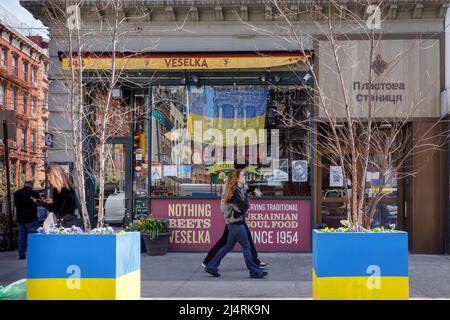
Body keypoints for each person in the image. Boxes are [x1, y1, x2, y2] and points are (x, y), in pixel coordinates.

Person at [205, 169, 268, 279]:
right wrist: (246, 204)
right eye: (242, 175)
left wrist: (246, 201)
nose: (244, 177)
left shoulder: (237, 190)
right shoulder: (234, 192)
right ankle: (254, 271)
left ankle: (211, 266)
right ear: (237, 178)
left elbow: (242, 207)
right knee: (247, 246)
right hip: (236, 223)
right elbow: (242, 208)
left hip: (234, 223)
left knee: (227, 246)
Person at [41, 164, 80, 228]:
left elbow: (57, 208)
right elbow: (69, 204)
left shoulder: (58, 189)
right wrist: (53, 201)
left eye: (50, 177)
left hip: (63, 222)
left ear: (54, 176)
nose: (50, 180)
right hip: (70, 219)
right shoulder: (69, 187)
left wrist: (45, 204)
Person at [13, 180, 40, 259]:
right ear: (32, 185)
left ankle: (21, 254)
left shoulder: (17, 193)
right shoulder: (34, 193)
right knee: (33, 236)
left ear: (24, 184)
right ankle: (33, 254)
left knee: (22, 236)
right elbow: (39, 203)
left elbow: (15, 204)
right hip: (31, 218)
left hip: (20, 219)